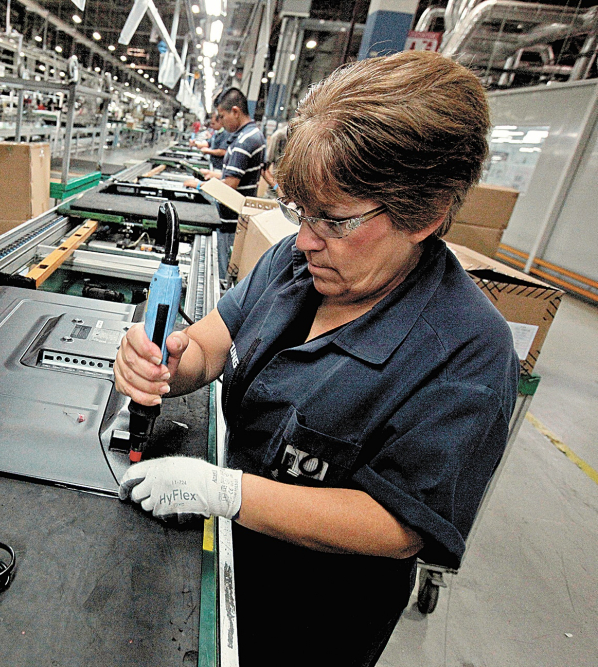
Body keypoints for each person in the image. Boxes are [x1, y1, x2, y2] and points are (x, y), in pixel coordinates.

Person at [115, 51, 518, 667]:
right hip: (222, 562)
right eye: (302, 212)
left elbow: (398, 524)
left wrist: (227, 492)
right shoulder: (296, 266)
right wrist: (163, 361)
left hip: (311, 622)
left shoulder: (466, 353)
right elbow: (208, 344)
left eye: (333, 219)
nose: (305, 239)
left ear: (426, 217)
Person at [185, 88, 265, 276]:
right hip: (237, 218)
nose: (221, 121)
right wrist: (214, 176)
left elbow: (230, 186)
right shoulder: (253, 135)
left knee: (223, 273)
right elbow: (237, 177)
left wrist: (199, 186)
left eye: (222, 116)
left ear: (235, 112)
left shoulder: (244, 141)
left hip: (231, 221)